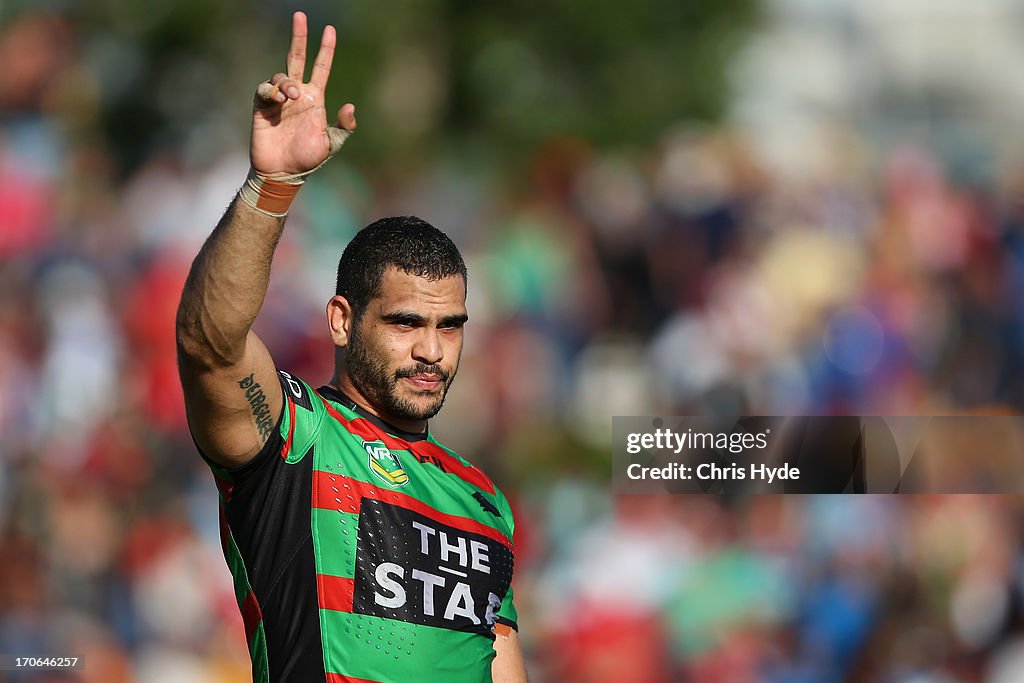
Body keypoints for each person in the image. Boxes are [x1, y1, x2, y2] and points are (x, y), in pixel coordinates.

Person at [175, 12, 528, 683]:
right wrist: (271, 186)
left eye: (449, 325)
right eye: (404, 323)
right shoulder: (292, 437)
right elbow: (210, 344)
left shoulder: (483, 499)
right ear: (342, 320)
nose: (432, 349)